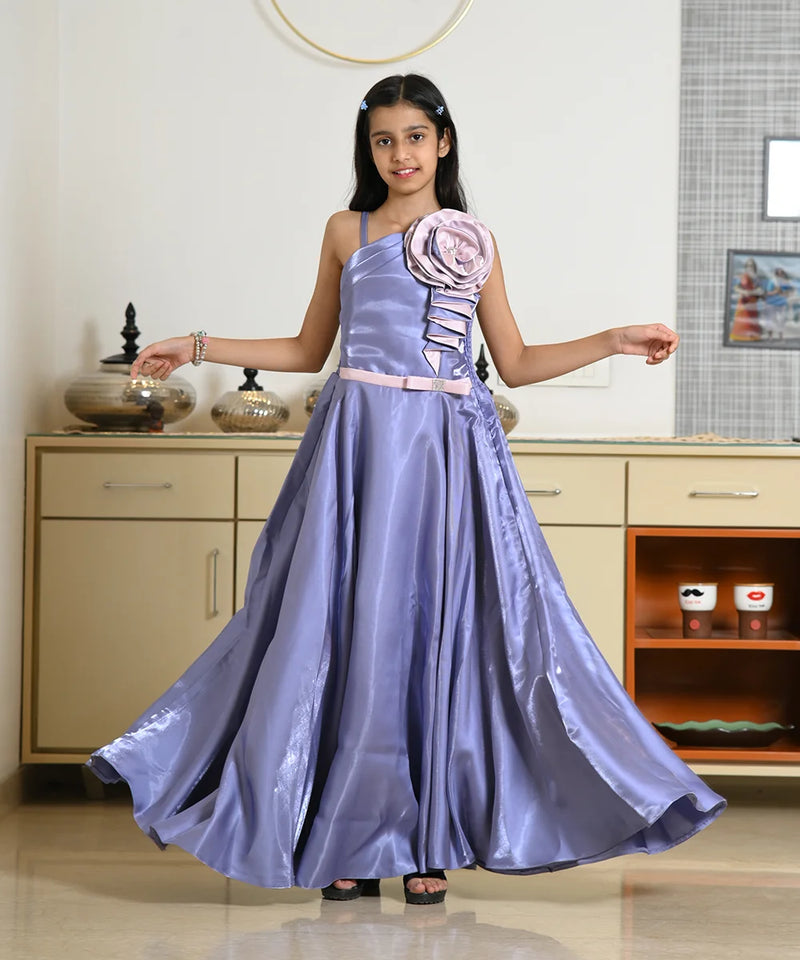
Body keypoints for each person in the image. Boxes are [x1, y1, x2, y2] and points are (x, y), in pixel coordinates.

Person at [86, 74, 725, 907]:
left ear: (444, 143)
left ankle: (428, 839)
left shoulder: (473, 239)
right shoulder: (345, 232)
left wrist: (614, 337)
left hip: (449, 457)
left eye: (415, 138)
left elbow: (519, 361)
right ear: (370, 149)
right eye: (384, 141)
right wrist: (196, 343)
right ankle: (350, 831)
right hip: (358, 446)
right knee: (353, 629)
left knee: (442, 632)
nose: (401, 155)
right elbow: (310, 347)